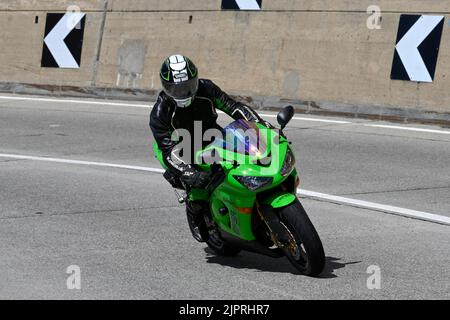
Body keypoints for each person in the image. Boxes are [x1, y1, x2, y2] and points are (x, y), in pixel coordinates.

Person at [150, 54, 271, 242]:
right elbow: (166, 151)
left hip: (211, 136)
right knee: (199, 188)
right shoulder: (160, 112)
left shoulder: (207, 88)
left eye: (187, 86)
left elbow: (233, 107)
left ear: (195, 79)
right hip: (179, 148)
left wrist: (259, 123)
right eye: (176, 88)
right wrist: (189, 173)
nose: (182, 92)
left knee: (248, 155)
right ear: (166, 87)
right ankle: (194, 212)